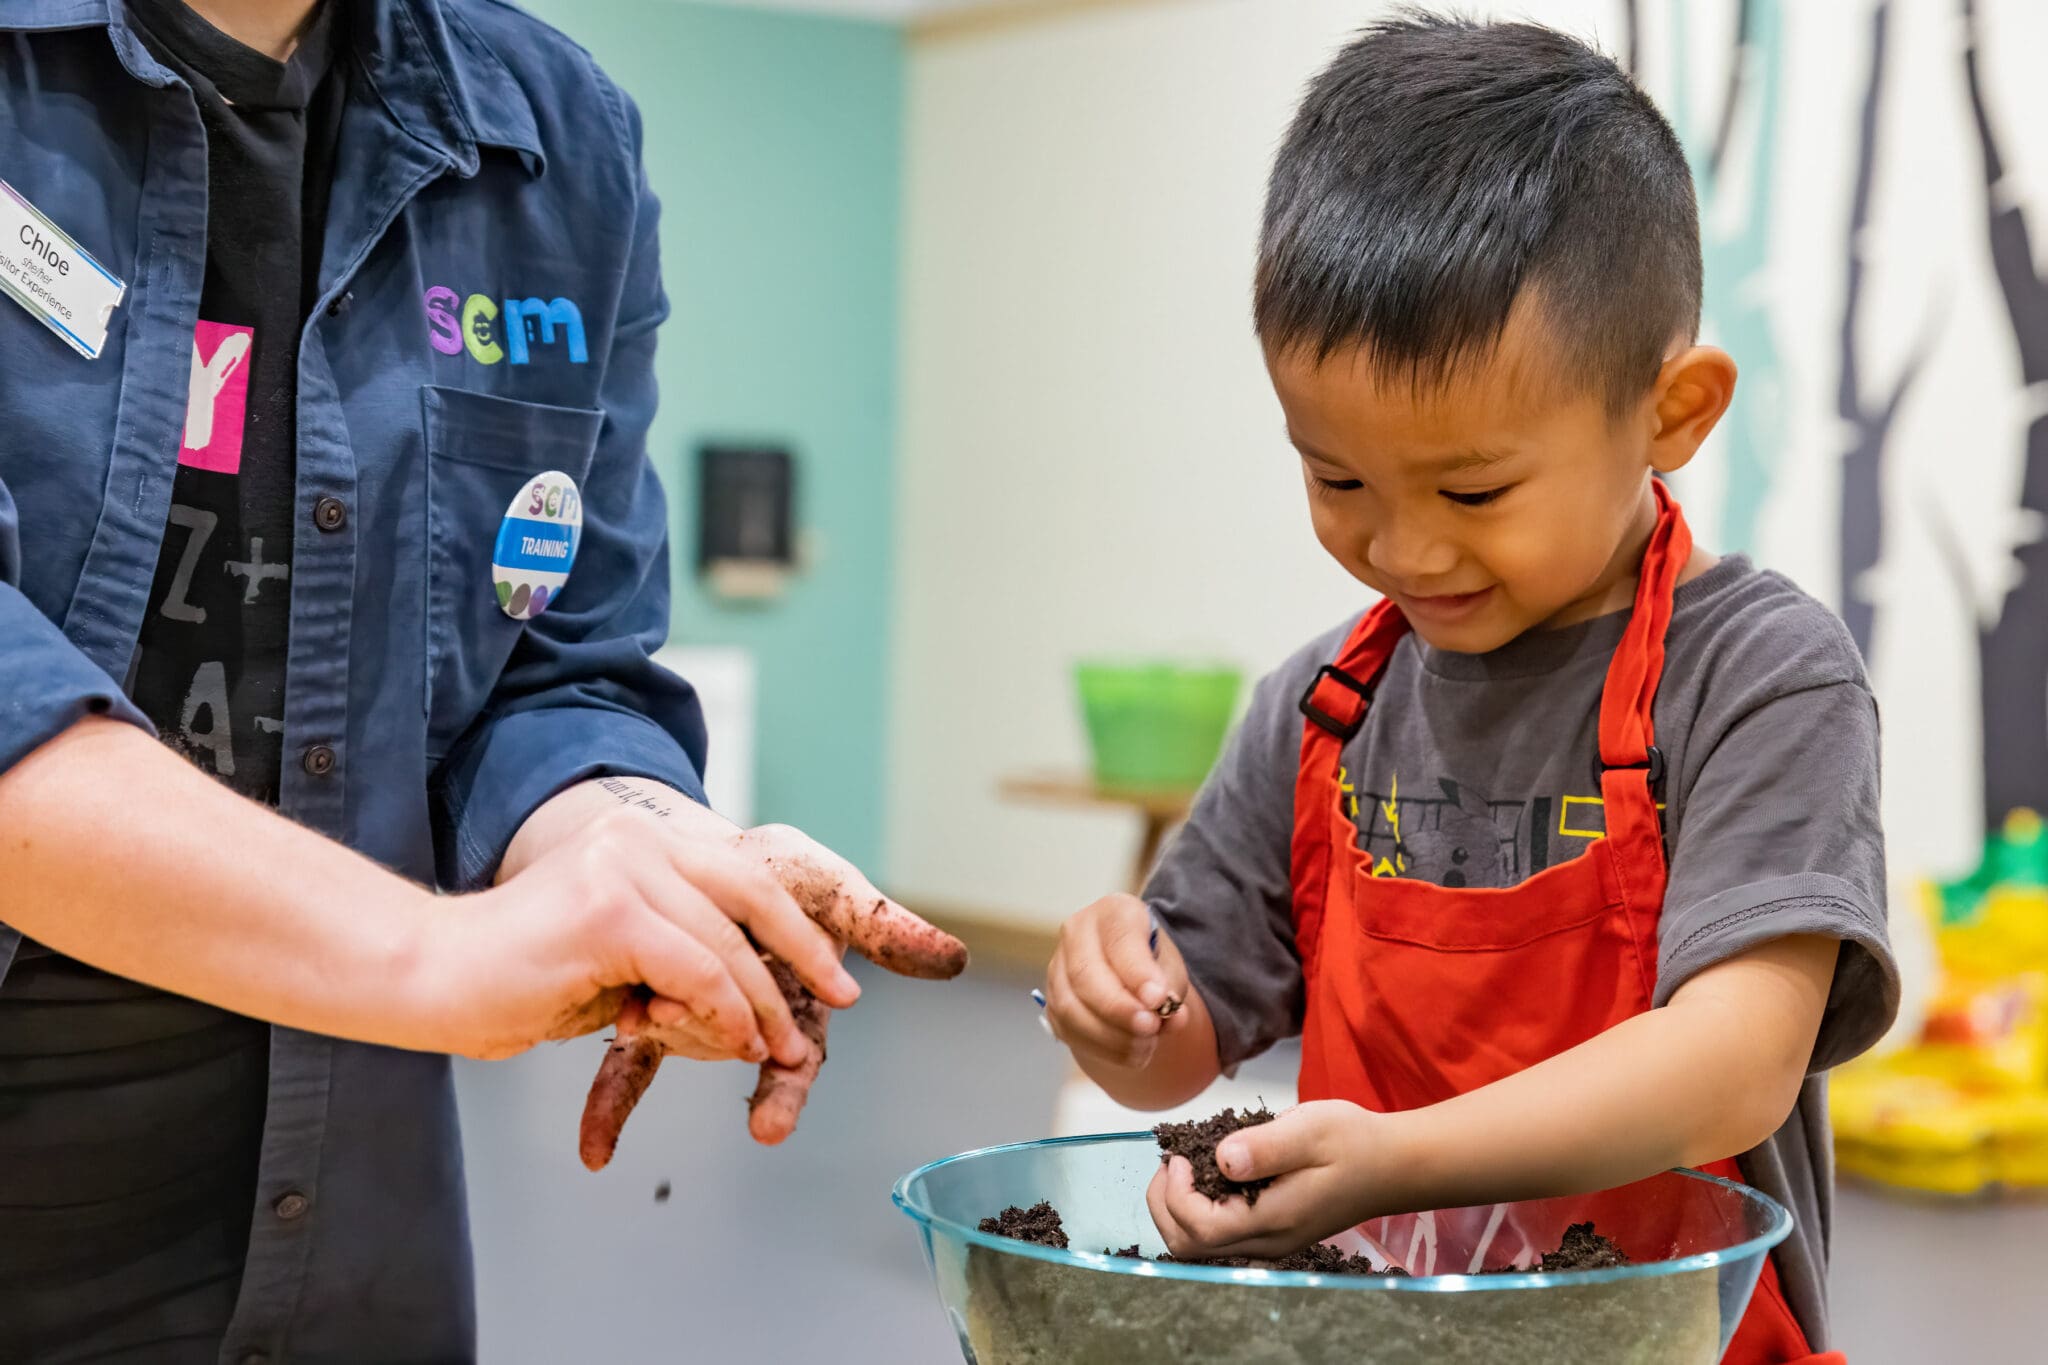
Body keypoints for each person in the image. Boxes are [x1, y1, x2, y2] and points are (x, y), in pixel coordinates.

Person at [0, 1, 959, 1360]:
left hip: (340, 1234)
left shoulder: (557, 144)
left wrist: (641, 841)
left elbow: (556, 664)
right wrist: (441, 957)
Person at [1040, 16, 1896, 1364]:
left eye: (1475, 488)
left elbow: (1734, 1060)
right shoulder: (1324, 707)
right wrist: (1118, 997)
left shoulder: (1757, 675)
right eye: (1338, 479)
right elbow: (1172, 1055)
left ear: (1671, 411)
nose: (1405, 548)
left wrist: (1394, 1161)